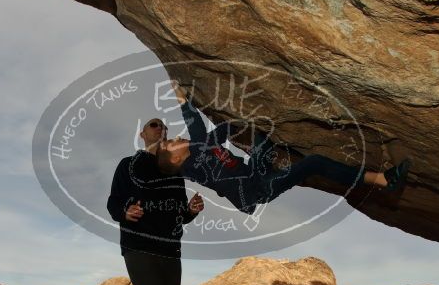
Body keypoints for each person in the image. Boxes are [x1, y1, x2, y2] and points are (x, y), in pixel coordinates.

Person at [157, 83, 412, 214]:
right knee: (313, 163)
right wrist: (180, 96)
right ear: (177, 157)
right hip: (257, 189)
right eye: (171, 144)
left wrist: (240, 122)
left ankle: (269, 149)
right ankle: (380, 180)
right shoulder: (194, 167)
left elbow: (219, 131)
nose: (175, 137)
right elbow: (198, 131)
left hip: (254, 171)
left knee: (262, 140)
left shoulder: (199, 151)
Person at [107, 117, 205, 285]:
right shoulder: (128, 165)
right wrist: (125, 212)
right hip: (139, 245)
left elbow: (178, 214)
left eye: (164, 127)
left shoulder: (174, 173)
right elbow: (113, 203)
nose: (161, 128)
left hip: (171, 249)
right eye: (154, 124)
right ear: (142, 134)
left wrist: (190, 211)